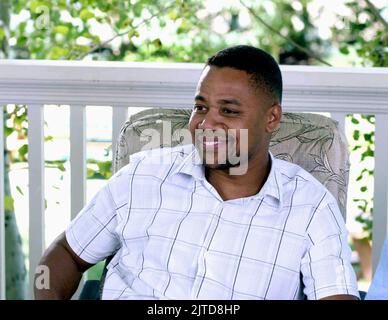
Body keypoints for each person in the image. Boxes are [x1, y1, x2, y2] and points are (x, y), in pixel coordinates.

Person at [35, 45, 359, 300]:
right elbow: (64, 254)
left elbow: (336, 294)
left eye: (229, 111)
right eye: (201, 107)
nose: (206, 124)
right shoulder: (142, 176)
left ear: (271, 118)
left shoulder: (310, 205)